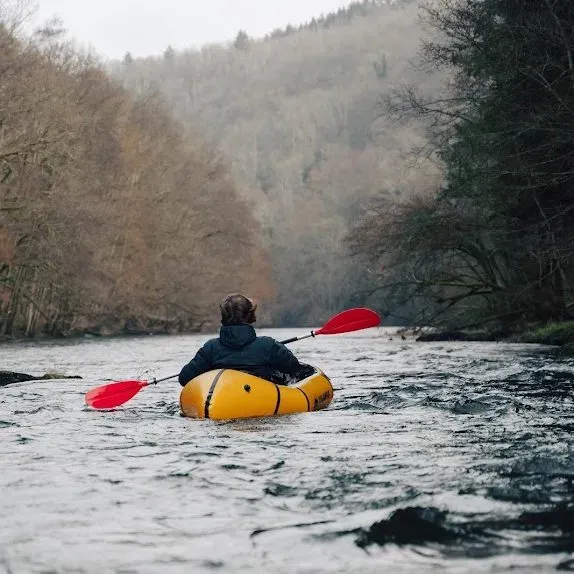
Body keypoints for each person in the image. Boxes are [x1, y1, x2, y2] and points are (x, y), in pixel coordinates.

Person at [178, 293, 306, 386]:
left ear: (224, 316)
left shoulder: (211, 348)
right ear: (251, 316)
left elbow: (184, 378)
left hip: (223, 405)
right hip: (261, 404)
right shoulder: (269, 345)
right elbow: (296, 370)